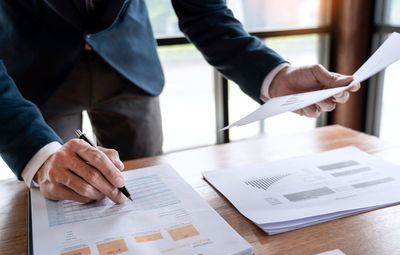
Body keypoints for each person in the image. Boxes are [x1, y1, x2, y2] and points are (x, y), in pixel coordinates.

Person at [0, 0, 359, 204]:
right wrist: (40, 155)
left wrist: (274, 76)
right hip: (36, 72)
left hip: (131, 67)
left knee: (141, 189)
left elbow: (205, 12)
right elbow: (46, 165)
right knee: (60, 191)